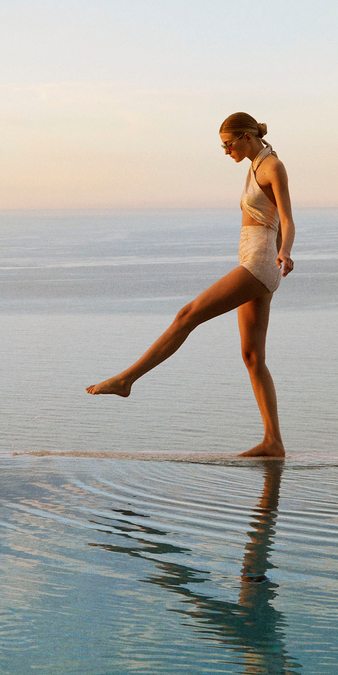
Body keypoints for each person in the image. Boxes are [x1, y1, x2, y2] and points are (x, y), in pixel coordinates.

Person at [87, 112, 294, 458]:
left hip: (260, 264)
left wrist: (285, 252)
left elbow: (287, 219)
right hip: (254, 264)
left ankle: (127, 380)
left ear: (245, 136)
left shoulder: (272, 165)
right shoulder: (255, 164)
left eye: (228, 145)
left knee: (188, 315)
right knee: (253, 356)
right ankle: (273, 442)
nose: (226, 152)